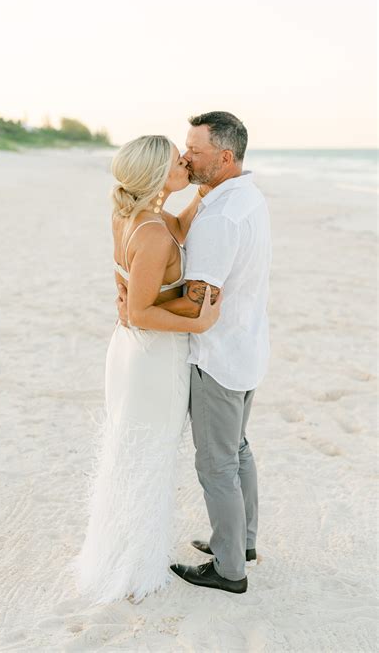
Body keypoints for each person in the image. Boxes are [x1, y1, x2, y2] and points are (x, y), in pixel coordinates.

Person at [117, 112, 272, 594]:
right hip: (246, 347)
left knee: (217, 464)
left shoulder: (221, 216)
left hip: (216, 354)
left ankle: (230, 569)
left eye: (195, 151)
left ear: (225, 157)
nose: (186, 156)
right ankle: (240, 541)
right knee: (237, 451)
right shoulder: (240, 196)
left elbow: (197, 300)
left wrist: (138, 304)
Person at [73, 135, 222, 605]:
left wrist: (203, 190)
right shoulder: (153, 233)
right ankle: (133, 566)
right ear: (159, 177)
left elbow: (177, 224)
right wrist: (200, 319)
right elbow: (137, 310)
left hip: (131, 352)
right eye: (180, 162)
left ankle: (122, 551)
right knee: (148, 453)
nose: (186, 163)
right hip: (151, 355)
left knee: (133, 450)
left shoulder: (137, 217)